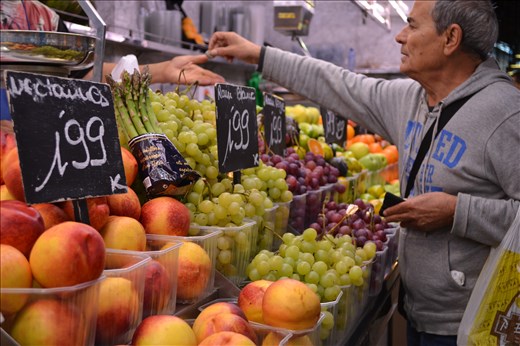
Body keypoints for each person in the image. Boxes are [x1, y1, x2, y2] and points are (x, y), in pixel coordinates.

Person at [208, 1, 520, 345]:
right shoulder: (411, 100)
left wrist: (456, 211)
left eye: (413, 26)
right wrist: (258, 55)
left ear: (451, 38)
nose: (400, 36)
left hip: (472, 323)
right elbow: (337, 83)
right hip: (418, 310)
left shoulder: (505, 114)